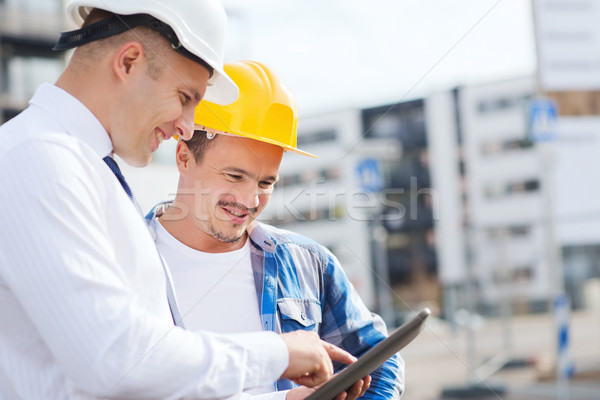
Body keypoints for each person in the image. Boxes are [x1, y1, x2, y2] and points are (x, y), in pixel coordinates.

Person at [0, 2, 355, 399]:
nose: (185, 127)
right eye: (185, 96)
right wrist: (277, 353)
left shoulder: (83, 168)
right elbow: (116, 362)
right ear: (130, 61)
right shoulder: (37, 158)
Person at [146, 60, 405, 399]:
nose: (249, 200)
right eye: (234, 176)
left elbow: (379, 360)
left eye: (266, 182)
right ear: (183, 157)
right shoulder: (124, 258)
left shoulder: (309, 265)